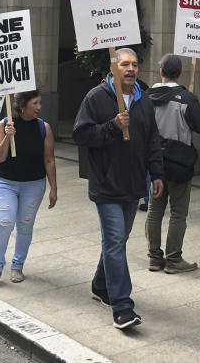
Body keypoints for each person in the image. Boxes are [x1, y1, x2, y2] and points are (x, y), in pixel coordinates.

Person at [73, 47, 164, 331]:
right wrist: (112, 126)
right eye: (125, 64)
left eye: (135, 64)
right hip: (106, 184)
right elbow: (81, 134)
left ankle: (101, 284)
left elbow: (152, 140)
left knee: (117, 242)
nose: (131, 69)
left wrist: (157, 173)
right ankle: (122, 307)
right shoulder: (96, 97)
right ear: (114, 67)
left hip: (133, 183)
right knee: (114, 243)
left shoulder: (143, 99)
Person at [0, 90, 58, 289]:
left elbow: (49, 159)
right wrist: (7, 138)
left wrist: (54, 188)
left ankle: (17, 265)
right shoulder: (5, 124)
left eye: (40, 103)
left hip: (34, 184)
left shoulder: (43, 127)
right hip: (5, 182)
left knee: (25, 225)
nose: (39, 107)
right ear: (22, 105)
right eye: (35, 103)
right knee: (4, 222)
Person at [145, 54, 200, 274]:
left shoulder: (146, 96)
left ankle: (154, 257)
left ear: (161, 72)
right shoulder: (186, 98)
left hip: (154, 161)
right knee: (178, 212)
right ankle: (173, 259)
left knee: (155, 209)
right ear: (179, 73)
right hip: (179, 161)